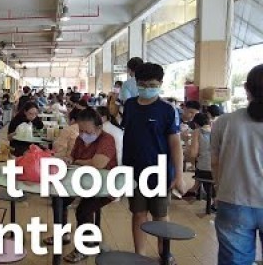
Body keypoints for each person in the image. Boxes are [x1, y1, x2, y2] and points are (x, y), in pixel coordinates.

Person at [121, 63, 185, 262]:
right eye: (142, 84)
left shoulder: (167, 110)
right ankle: (139, 254)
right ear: (136, 83)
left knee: (160, 216)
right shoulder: (130, 105)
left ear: (160, 84)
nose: (147, 88)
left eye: (152, 84)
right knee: (138, 214)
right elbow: (128, 136)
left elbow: (175, 144)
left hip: (160, 172)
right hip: (134, 172)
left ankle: (164, 253)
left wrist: (179, 175)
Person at [45, 108, 118, 262]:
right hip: (82, 182)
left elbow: (99, 163)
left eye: (87, 131)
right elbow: (72, 156)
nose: (84, 134)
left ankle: (85, 246)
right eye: (81, 130)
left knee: (84, 210)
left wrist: (78, 161)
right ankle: (63, 234)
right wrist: (70, 160)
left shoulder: (107, 140)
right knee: (60, 201)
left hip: (105, 186)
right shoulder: (80, 139)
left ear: (99, 128)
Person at [211, 64, 263, 265]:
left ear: (247, 88)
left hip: (233, 199)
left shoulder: (225, 122)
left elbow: (215, 163)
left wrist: (218, 189)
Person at [183, 113, 214, 207]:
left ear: (196, 123)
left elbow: (193, 154)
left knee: (200, 163)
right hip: (220, 170)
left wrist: (186, 142)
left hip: (205, 171)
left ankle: (194, 189)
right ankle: (195, 189)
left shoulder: (197, 132)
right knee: (203, 161)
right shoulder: (216, 130)